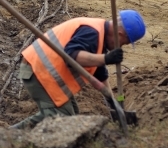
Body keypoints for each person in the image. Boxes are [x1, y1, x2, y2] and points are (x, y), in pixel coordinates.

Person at [10, 10, 146, 130]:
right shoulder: (92, 32)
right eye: (124, 43)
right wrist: (106, 58)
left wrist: (113, 102)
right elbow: (71, 56)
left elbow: (100, 74)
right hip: (38, 70)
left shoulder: (100, 36)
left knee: (71, 116)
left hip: (43, 71)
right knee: (61, 119)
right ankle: (10, 134)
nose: (121, 46)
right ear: (119, 34)